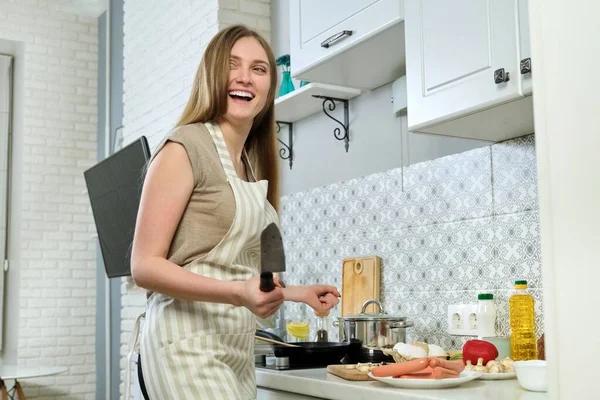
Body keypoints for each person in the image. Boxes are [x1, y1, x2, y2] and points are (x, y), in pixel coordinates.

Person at [129, 24, 341, 400]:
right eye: (233, 65)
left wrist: (296, 293)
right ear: (212, 74)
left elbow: (240, 276)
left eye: (259, 69)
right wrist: (238, 294)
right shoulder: (185, 146)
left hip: (235, 350)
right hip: (185, 345)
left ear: (269, 88)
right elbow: (144, 266)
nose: (245, 77)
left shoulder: (249, 166)